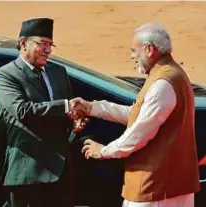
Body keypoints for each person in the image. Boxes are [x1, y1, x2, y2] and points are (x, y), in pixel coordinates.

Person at [73, 23, 200, 207]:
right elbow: (136, 114)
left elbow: (138, 135)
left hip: (156, 189)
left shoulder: (163, 83)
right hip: (168, 188)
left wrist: (103, 151)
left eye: (134, 50)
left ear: (149, 49)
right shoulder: (169, 75)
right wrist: (92, 108)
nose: (132, 56)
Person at [0, 17, 86, 207]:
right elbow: (22, 111)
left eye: (51, 44)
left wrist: (74, 121)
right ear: (23, 44)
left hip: (61, 172)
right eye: (42, 43)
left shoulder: (57, 72)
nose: (48, 49)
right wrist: (66, 106)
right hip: (30, 174)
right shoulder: (6, 74)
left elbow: (64, 113)